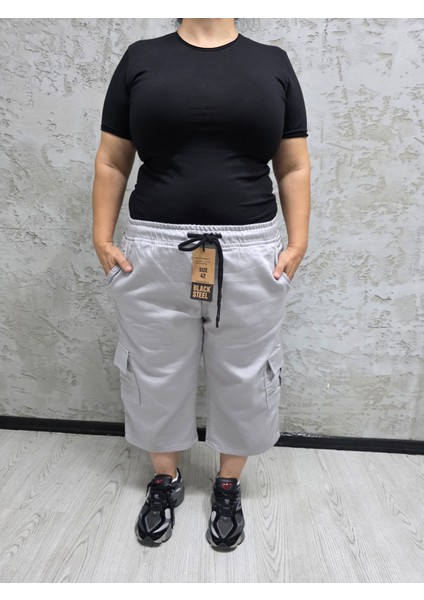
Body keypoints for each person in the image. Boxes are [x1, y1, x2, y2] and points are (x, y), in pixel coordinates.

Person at [92, 18, 310, 551]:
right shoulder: (140, 59)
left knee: (246, 373)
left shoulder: (273, 63)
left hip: (251, 251)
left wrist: (298, 241)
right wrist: (101, 235)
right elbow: (113, 158)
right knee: (155, 369)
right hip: (153, 251)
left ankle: (228, 484)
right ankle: (165, 479)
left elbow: (293, 165)